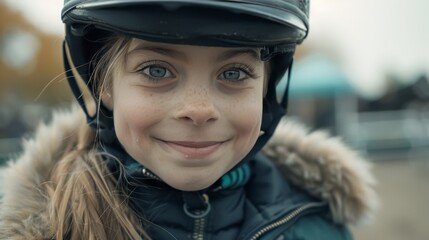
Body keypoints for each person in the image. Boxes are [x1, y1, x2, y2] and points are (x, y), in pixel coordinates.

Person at [0, 0, 377, 239]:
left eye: (233, 74)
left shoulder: (319, 226)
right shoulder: (42, 229)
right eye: (157, 71)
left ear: (267, 89)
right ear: (104, 85)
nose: (198, 110)